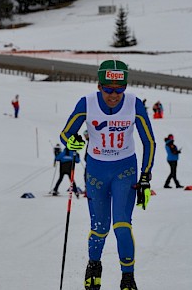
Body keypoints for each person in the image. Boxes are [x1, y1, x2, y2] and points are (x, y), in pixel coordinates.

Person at [58, 60, 156, 290]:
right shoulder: (87, 103)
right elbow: (65, 133)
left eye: (119, 89)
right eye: (108, 89)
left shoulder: (134, 104)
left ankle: (128, 278)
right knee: (100, 227)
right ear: (99, 85)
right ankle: (94, 266)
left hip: (125, 170)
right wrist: (71, 142)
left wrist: (145, 177)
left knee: (122, 225)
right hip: (96, 172)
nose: (114, 95)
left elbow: (149, 141)